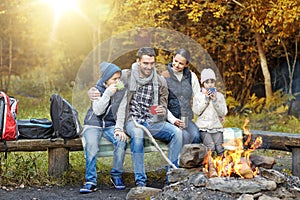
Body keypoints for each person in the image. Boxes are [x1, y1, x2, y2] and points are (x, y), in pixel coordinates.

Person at [115, 47, 183, 187]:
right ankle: (141, 181)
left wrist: (160, 110)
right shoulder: (126, 76)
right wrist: (96, 89)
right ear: (138, 61)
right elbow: (112, 89)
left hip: (151, 121)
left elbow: (162, 106)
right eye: (146, 63)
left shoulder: (160, 81)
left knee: (177, 133)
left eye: (152, 63)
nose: (149, 67)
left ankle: (172, 178)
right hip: (132, 120)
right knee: (138, 135)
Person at [80, 62, 128, 194]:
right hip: (93, 124)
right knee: (91, 145)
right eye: (114, 79)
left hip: (110, 125)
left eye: (119, 78)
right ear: (106, 80)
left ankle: (116, 175)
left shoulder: (122, 91)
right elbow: (98, 111)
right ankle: (91, 181)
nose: (117, 81)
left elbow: (121, 112)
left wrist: (119, 129)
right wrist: (107, 94)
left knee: (121, 141)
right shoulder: (96, 90)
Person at [161, 48, 201, 145]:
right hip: (171, 120)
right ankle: (180, 160)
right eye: (175, 61)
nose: (176, 65)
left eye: (181, 63)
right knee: (185, 136)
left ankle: (194, 160)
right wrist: (173, 120)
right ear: (173, 58)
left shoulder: (192, 76)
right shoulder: (164, 76)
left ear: (186, 64)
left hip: (186, 119)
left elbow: (198, 98)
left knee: (196, 136)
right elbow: (161, 103)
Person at [192, 68, 228, 156]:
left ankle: (223, 167)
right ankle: (209, 166)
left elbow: (223, 112)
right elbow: (197, 111)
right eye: (207, 82)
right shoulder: (198, 96)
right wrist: (206, 99)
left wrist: (215, 101)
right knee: (211, 147)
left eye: (212, 82)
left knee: (220, 148)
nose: (209, 84)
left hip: (216, 127)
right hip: (204, 127)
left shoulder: (219, 96)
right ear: (203, 83)